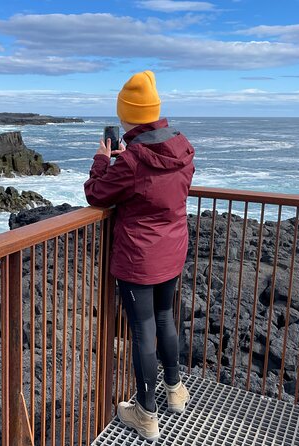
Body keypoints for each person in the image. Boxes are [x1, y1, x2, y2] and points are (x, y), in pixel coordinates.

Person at [84, 70, 195, 442]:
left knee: (143, 331)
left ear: (128, 114)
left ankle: (146, 413)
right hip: (173, 248)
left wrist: (103, 160)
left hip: (140, 258)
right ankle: (175, 392)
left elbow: (97, 195)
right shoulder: (182, 147)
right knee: (165, 317)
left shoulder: (132, 161)